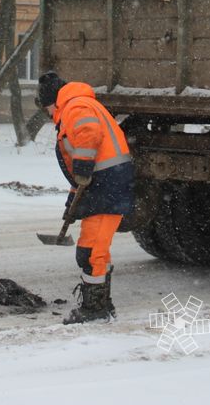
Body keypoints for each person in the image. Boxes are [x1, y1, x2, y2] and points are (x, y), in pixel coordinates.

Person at [37, 71, 134, 323]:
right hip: (103, 183)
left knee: (91, 252)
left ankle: (95, 308)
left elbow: (89, 134)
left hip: (108, 184)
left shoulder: (75, 106)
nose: (47, 115)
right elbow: (81, 173)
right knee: (95, 250)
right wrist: (73, 201)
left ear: (52, 102)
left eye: (46, 108)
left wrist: (82, 167)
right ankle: (102, 303)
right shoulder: (78, 104)